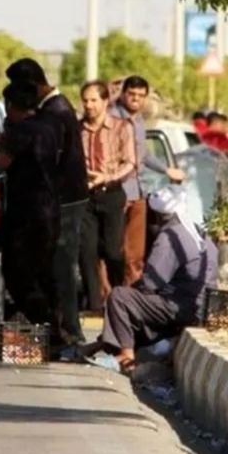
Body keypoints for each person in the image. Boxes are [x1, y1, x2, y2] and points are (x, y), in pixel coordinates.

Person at [82, 184, 219, 375]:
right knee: (135, 303)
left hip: (180, 307)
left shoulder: (171, 236)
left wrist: (137, 293)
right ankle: (103, 345)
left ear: (159, 215)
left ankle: (125, 356)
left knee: (120, 297)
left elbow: (151, 283)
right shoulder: (198, 233)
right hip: (201, 307)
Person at [5, 58, 88, 347]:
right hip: (57, 199)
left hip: (63, 199)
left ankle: (67, 330)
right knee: (50, 268)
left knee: (60, 268)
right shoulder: (52, 111)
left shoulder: (55, 112)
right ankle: (59, 329)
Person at [0, 81, 61, 333]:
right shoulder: (48, 128)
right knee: (43, 272)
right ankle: (56, 330)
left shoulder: (20, 131)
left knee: (17, 273)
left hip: (26, 214)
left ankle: (46, 327)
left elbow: (0, 164)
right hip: (50, 211)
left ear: (10, 106)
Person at [110, 75, 185, 286]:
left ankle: (131, 296)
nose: (135, 99)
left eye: (140, 96)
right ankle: (106, 298)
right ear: (123, 94)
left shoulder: (139, 120)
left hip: (139, 192)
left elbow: (143, 154)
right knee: (113, 251)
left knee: (136, 253)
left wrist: (166, 170)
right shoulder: (111, 118)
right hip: (116, 191)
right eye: (131, 94)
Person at [78, 80, 136, 313]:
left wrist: (107, 176)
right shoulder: (77, 128)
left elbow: (131, 162)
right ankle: (94, 305)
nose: (89, 105)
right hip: (86, 196)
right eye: (85, 100)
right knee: (87, 251)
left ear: (104, 102)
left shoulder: (122, 127)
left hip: (111, 193)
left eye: (93, 100)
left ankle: (118, 298)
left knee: (113, 251)